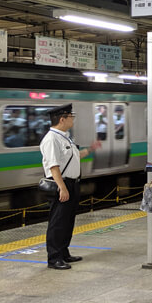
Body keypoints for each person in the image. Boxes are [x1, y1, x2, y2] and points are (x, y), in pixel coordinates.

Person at [39, 104, 101, 269]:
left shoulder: (65, 137)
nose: (73, 119)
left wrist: (90, 150)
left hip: (72, 183)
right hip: (62, 184)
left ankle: (64, 252)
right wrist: (62, 187)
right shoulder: (51, 139)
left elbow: (74, 156)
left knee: (68, 221)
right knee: (57, 222)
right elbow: (53, 166)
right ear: (62, 119)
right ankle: (54, 258)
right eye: (70, 116)